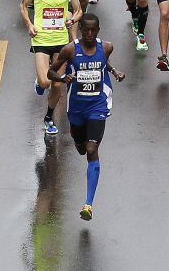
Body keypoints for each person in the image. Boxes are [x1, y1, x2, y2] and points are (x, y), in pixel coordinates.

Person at [48, 12, 123, 221]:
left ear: (98, 31)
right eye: (86, 30)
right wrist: (63, 78)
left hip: (98, 104)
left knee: (92, 149)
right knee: (81, 147)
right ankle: (78, 139)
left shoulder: (106, 47)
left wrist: (115, 72)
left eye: (93, 30)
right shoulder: (70, 50)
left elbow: (103, 62)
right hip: (77, 108)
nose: (89, 33)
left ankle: (88, 205)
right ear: (81, 30)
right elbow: (50, 73)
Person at [22, 0, 81, 137]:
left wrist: (73, 19)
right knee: (45, 82)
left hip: (61, 40)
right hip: (41, 40)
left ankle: (49, 117)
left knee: (57, 85)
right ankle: (39, 82)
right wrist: (30, 25)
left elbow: (79, 10)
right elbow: (23, 5)